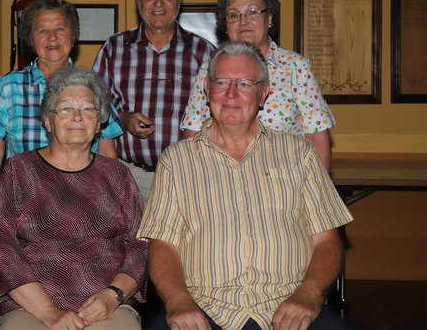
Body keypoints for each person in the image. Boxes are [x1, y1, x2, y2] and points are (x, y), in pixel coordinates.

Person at [138, 42, 353, 330]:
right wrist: (178, 302)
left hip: (289, 304)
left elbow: (326, 240)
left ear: (264, 93)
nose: (231, 93)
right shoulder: (176, 161)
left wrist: (309, 295)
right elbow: (163, 246)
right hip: (203, 307)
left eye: (244, 83)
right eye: (222, 81)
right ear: (207, 88)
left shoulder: (299, 154)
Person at [0, 66, 147, 330]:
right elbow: (2, 247)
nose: (77, 116)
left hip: (104, 302)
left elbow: (141, 244)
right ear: (48, 121)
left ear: (98, 124)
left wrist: (113, 295)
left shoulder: (117, 175)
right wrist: (48, 311)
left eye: (87, 109)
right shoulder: (18, 170)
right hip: (30, 303)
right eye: (65, 108)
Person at [0, 0, 122, 244]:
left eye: (60, 29)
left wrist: (115, 213)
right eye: (42, 30)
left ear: (73, 35)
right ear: (31, 40)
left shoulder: (92, 86)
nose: (52, 37)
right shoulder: (9, 86)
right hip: (25, 215)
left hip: (86, 214)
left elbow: (109, 154)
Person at [181, 0, 334, 170]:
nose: (243, 21)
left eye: (252, 12)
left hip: (286, 187)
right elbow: (193, 131)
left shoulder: (296, 67)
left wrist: (319, 191)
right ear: (225, 25)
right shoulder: (209, 68)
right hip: (221, 185)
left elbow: (316, 135)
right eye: (233, 15)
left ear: (269, 17)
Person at [92, 0, 215, 201]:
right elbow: (93, 109)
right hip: (130, 177)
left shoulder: (205, 52)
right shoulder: (114, 49)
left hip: (189, 178)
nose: (158, 4)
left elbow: (220, 116)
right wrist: (124, 119)